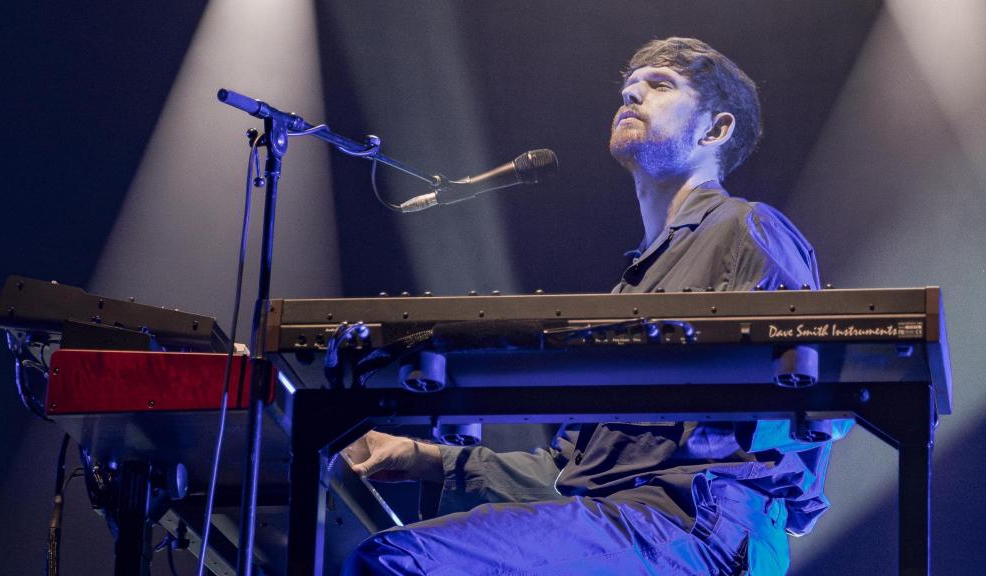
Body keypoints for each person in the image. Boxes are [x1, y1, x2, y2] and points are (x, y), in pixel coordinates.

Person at [340, 37, 852, 576]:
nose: (632, 94)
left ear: (716, 130)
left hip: (697, 530)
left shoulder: (747, 227)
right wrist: (427, 458)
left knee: (398, 560)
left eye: (660, 85)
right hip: (625, 523)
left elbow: (809, 400)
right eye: (629, 87)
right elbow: (568, 472)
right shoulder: (630, 290)